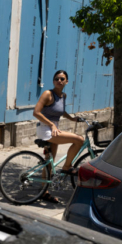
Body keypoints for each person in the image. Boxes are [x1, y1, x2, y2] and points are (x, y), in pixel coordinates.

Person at [33, 69, 83, 204]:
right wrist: (52, 125)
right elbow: (36, 112)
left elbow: (61, 111)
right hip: (46, 129)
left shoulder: (63, 96)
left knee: (49, 162)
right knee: (80, 139)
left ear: (67, 81)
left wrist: (72, 119)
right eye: (56, 79)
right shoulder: (48, 94)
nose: (59, 81)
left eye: (62, 79)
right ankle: (67, 167)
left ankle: (44, 192)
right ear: (53, 81)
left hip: (53, 129)